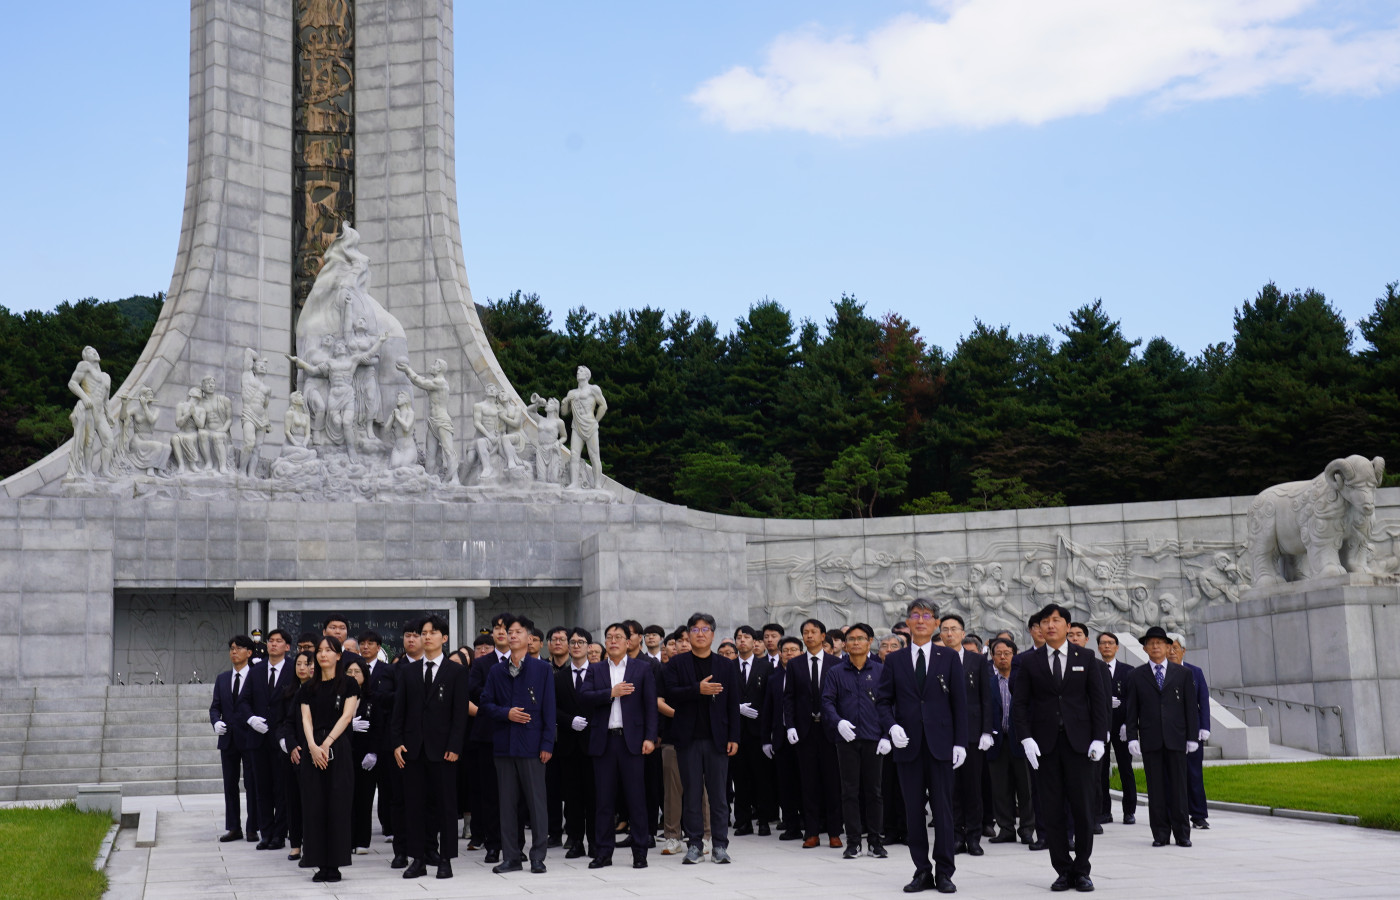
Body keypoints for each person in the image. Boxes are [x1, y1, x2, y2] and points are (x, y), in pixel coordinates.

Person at [1011, 604, 1108, 893]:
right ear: (1039, 628)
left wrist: (1099, 738)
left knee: (1083, 809)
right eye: (1045, 621)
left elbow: (1098, 700)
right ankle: (1063, 869)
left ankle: (1083, 869)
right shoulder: (1029, 661)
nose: (1050, 625)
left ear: (1067, 626)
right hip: (1045, 746)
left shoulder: (1086, 657)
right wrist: (1026, 738)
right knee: (1051, 810)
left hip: (1080, 745)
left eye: (1056, 620)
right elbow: (1019, 704)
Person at [876, 598, 967, 895]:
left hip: (941, 746)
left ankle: (945, 872)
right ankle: (922, 870)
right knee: (913, 812)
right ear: (907, 622)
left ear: (936, 623)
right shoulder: (896, 660)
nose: (920, 620)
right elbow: (883, 701)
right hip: (908, 746)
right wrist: (891, 727)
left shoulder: (948, 657)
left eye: (926, 616)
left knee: (943, 811)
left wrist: (960, 742)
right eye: (915, 615)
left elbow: (959, 703)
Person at [391, 615, 470, 880]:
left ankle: (445, 859)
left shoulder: (456, 671)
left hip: (444, 750)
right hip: (412, 750)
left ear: (444, 638)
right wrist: (397, 742)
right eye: (423, 632)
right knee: (414, 806)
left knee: (446, 807)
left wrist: (455, 745)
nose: (426, 636)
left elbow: (459, 714)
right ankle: (418, 859)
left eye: (432, 632)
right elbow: (399, 711)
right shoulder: (408, 671)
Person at [578, 622, 660, 868]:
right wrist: (610, 693)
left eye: (618, 637)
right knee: (603, 801)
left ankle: (640, 852)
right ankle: (603, 852)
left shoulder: (642, 668)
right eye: (609, 637)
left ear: (628, 642)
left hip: (631, 742)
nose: (613, 641)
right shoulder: (595, 669)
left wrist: (650, 737)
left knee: (636, 799)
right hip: (604, 742)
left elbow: (650, 706)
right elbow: (584, 697)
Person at [481, 615, 557, 874]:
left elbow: (549, 710)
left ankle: (538, 856)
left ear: (529, 637)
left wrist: (547, 744)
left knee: (536, 804)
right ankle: (511, 856)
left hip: (533, 746)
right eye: (508, 631)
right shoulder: (496, 670)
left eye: (517, 632)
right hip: (504, 746)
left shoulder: (542, 669)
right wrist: (506, 713)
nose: (512, 635)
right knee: (507, 805)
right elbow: (485, 704)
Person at [665, 612, 741, 864]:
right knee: (692, 794)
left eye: (705, 629)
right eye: (695, 630)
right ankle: (695, 845)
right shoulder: (677, 663)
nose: (700, 634)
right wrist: (697, 689)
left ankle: (719, 845)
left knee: (719, 796)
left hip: (718, 739)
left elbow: (732, 703)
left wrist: (734, 736)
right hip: (688, 739)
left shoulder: (726, 665)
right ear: (688, 634)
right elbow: (671, 693)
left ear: (713, 634)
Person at [1124, 627, 1200, 848]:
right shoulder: (1136, 675)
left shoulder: (1183, 674)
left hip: (1176, 738)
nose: (1155, 647)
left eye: (1160, 643)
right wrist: (1132, 737)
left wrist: (1192, 737)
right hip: (1151, 739)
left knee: (1178, 788)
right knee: (1155, 789)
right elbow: (1132, 709)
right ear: (1145, 648)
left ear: (1168, 647)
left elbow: (1190, 708)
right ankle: (1160, 833)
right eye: (1151, 643)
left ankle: (1182, 833)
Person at [821, 622, 889, 859]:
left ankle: (875, 842)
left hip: (874, 738)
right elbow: (827, 701)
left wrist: (886, 735)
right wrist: (838, 722)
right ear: (845, 644)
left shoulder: (881, 671)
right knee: (849, 791)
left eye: (860, 638)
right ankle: (853, 842)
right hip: (846, 739)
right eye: (851, 639)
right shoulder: (836, 672)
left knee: (874, 792)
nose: (855, 642)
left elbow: (890, 703)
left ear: (870, 642)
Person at [298, 636, 360, 882]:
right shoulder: (307, 687)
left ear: (338, 655)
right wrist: (313, 746)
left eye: (329, 650)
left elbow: (346, 717)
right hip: (313, 748)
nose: (323, 654)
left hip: (338, 747)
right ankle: (318, 862)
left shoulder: (349, 684)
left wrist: (327, 743)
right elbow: (306, 718)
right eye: (320, 651)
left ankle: (334, 865)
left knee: (338, 806)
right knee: (314, 806)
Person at [940, 613, 997, 857]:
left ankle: (974, 837)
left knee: (973, 788)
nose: (949, 633)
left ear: (963, 634)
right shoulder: (936, 659)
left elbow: (986, 698)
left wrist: (986, 730)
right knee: (951, 789)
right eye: (945, 629)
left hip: (973, 733)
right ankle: (956, 836)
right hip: (945, 732)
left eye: (954, 629)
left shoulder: (977, 661)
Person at [784, 617, 844, 849]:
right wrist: (790, 725)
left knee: (833, 783)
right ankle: (811, 832)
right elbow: (789, 697)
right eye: (805, 632)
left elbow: (841, 698)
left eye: (813, 631)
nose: (809, 635)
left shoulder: (835, 663)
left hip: (830, 730)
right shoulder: (795, 664)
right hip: (805, 730)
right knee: (808, 783)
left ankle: (834, 832)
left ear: (823, 636)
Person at [209, 634, 273, 845]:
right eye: (231, 649)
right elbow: (215, 706)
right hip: (228, 738)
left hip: (250, 737)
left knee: (253, 784)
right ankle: (233, 827)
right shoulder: (222, 678)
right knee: (230, 784)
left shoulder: (257, 676)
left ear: (249, 652)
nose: (234, 652)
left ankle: (252, 827)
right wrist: (215, 721)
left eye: (238, 648)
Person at [465, 614, 513, 863]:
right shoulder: (482, 663)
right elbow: (473, 690)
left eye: (506, 628)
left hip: (517, 736)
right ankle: (493, 844)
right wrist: (501, 699)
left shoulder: (524, 661)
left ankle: (515, 845)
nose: (501, 632)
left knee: (515, 795)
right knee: (491, 794)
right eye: (497, 628)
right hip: (488, 737)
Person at [985, 638, 1034, 845]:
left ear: (1015, 655)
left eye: (1007, 653)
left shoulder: (1023, 680)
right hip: (997, 741)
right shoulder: (988, 682)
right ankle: (1005, 828)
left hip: (1021, 741)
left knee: (1026, 788)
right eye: (998, 654)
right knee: (1000, 789)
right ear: (992, 657)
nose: (1003, 657)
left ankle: (1027, 828)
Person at [553, 627, 596, 859]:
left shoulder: (598, 673)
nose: (576, 646)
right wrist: (569, 721)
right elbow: (552, 708)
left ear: (589, 646)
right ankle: (576, 841)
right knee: (573, 797)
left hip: (593, 744)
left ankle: (595, 842)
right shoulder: (558, 677)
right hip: (568, 745)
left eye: (581, 642)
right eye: (573, 642)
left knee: (594, 796)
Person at [1167, 633, 1211, 830]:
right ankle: (1175, 814)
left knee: (1194, 774)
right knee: (1171, 776)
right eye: (1168, 647)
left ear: (1183, 651)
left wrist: (1204, 727)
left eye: (1175, 648)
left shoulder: (1195, 672)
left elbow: (1203, 701)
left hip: (1193, 731)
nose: (1171, 651)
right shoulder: (1160, 672)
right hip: (1169, 731)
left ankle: (1199, 815)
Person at [260, 628, 297, 851]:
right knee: (262, 788)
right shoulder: (256, 670)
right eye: (270, 641)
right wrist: (250, 717)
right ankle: (266, 832)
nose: (273, 644)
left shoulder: (294, 669)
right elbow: (244, 699)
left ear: (287, 646)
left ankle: (279, 834)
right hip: (259, 738)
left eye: (278, 641)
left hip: (283, 738)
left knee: (282, 790)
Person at [277, 650, 315, 862]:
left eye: (307, 664)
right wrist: (289, 745)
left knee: (310, 802)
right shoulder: (288, 692)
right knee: (292, 800)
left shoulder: (319, 691)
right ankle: (295, 844)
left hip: (314, 751)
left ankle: (311, 844)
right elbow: (283, 722)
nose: (302, 668)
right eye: (298, 664)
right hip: (292, 754)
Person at [1097, 632, 1136, 825]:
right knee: (1101, 770)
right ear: (1098, 647)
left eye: (1110, 643)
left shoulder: (1128, 671)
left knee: (1125, 768)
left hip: (1121, 726)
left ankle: (1129, 811)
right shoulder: (1094, 668)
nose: (1107, 646)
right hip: (1101, 726)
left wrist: (1127, 724)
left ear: (1117, 647)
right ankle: (1104, 810)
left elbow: (1134, 699)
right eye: (1103, 643)